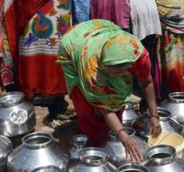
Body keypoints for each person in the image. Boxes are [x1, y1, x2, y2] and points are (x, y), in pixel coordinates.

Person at [57, 19, 161, 162]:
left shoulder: (138, 54)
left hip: (101, 31)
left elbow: (147, 82)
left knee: (116, 99)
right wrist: (123, 135)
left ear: (130, 65)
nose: (113, 76)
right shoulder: (91, 70)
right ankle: (91, 148)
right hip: (74, 44)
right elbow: (104, 106)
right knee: (87, 106)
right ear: (104, 65)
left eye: (119, 72)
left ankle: (108, 135)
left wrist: (154, 115)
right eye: (110, 71)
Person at [114, 0, 162, 99]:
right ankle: (148, 87)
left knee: (136, 47)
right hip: (150, 4)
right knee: (149, 47)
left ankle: (138, 86)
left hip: (136, 7)